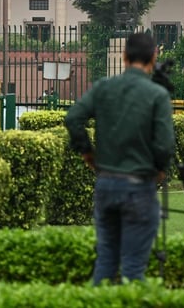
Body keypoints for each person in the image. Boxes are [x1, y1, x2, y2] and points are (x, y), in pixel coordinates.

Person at [64, 32, 174, 284]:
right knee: (134, 269)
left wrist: (87, 152)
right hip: (138, 185)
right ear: (154, 56)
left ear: (124, 57)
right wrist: (160, 168)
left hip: (106, 182)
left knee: (105, 260)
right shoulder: (157, 94)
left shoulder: (104, 86)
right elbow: (165, 144)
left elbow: (73, 118)